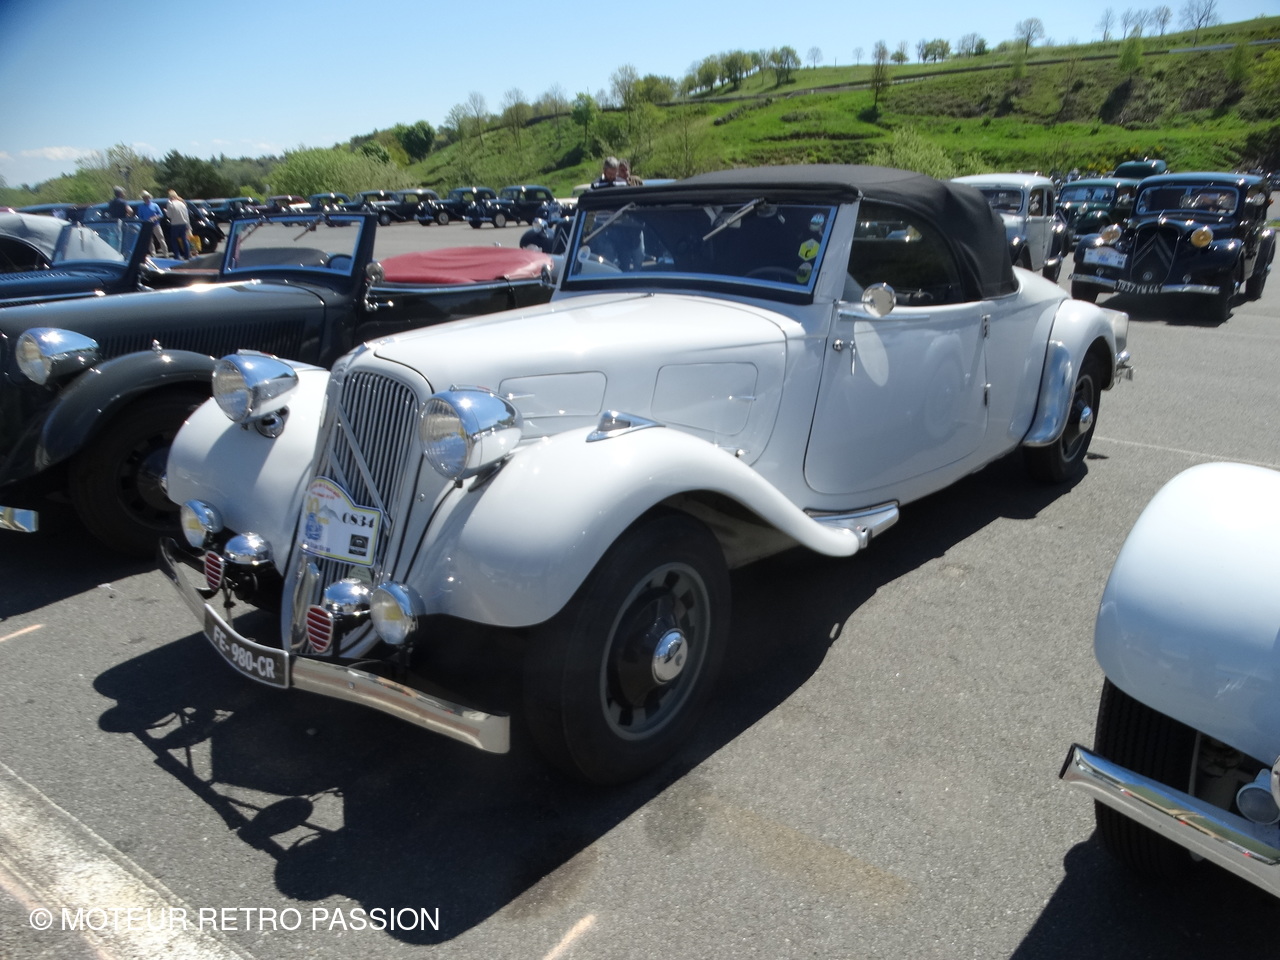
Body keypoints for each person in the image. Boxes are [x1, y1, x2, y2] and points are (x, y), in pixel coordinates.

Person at [165, 189, 192, 260]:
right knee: (184, 240)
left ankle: (177, 256)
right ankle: (187, 255)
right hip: (183, 223)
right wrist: (188, 225)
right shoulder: (182, 204)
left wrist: (166, 211)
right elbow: (186, 215)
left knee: (174, 240)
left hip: (175, 224)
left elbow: (169, 215)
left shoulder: (171, 204)